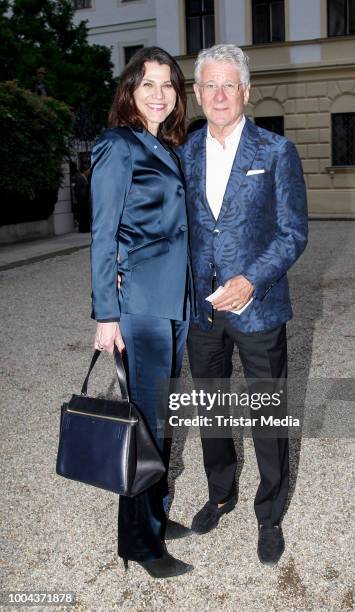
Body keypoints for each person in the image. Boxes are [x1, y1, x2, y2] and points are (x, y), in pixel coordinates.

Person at [177, 44, 308, 565]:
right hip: (201, 311)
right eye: (210, 85)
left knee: (267, 414)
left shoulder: (276, 151)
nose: (220, 94)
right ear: (198, 93)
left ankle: (270, 515)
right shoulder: (183, 153)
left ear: (246, 92)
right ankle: (220, 492)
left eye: (230, 84)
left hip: (258, 309)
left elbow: (293, 232)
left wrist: (251, 280)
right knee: (209, 407)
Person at [90, 46, 193, 578]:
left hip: (174, 305)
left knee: (162, 420)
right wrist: (106, 314)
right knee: (147, 427)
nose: (159, 93)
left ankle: (153, 514)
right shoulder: (117, 146)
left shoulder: (167, 146)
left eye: (168, 84)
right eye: (147, 83)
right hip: (140, 310)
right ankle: (140, 544)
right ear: (130, 91)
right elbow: (103, 233)